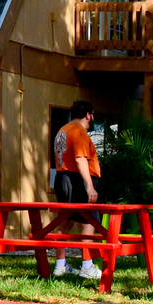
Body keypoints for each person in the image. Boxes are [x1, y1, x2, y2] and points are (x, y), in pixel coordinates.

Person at [51, 100, 103, 280]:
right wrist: (89, 186)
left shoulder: (62, 130)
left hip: (62, 178)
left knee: (65, 220)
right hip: (77, 180)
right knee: (88, 222)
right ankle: (87, 266)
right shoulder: (79, 131)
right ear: (88, 114)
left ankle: (60, 265)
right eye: (92, 114)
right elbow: (80, 159)